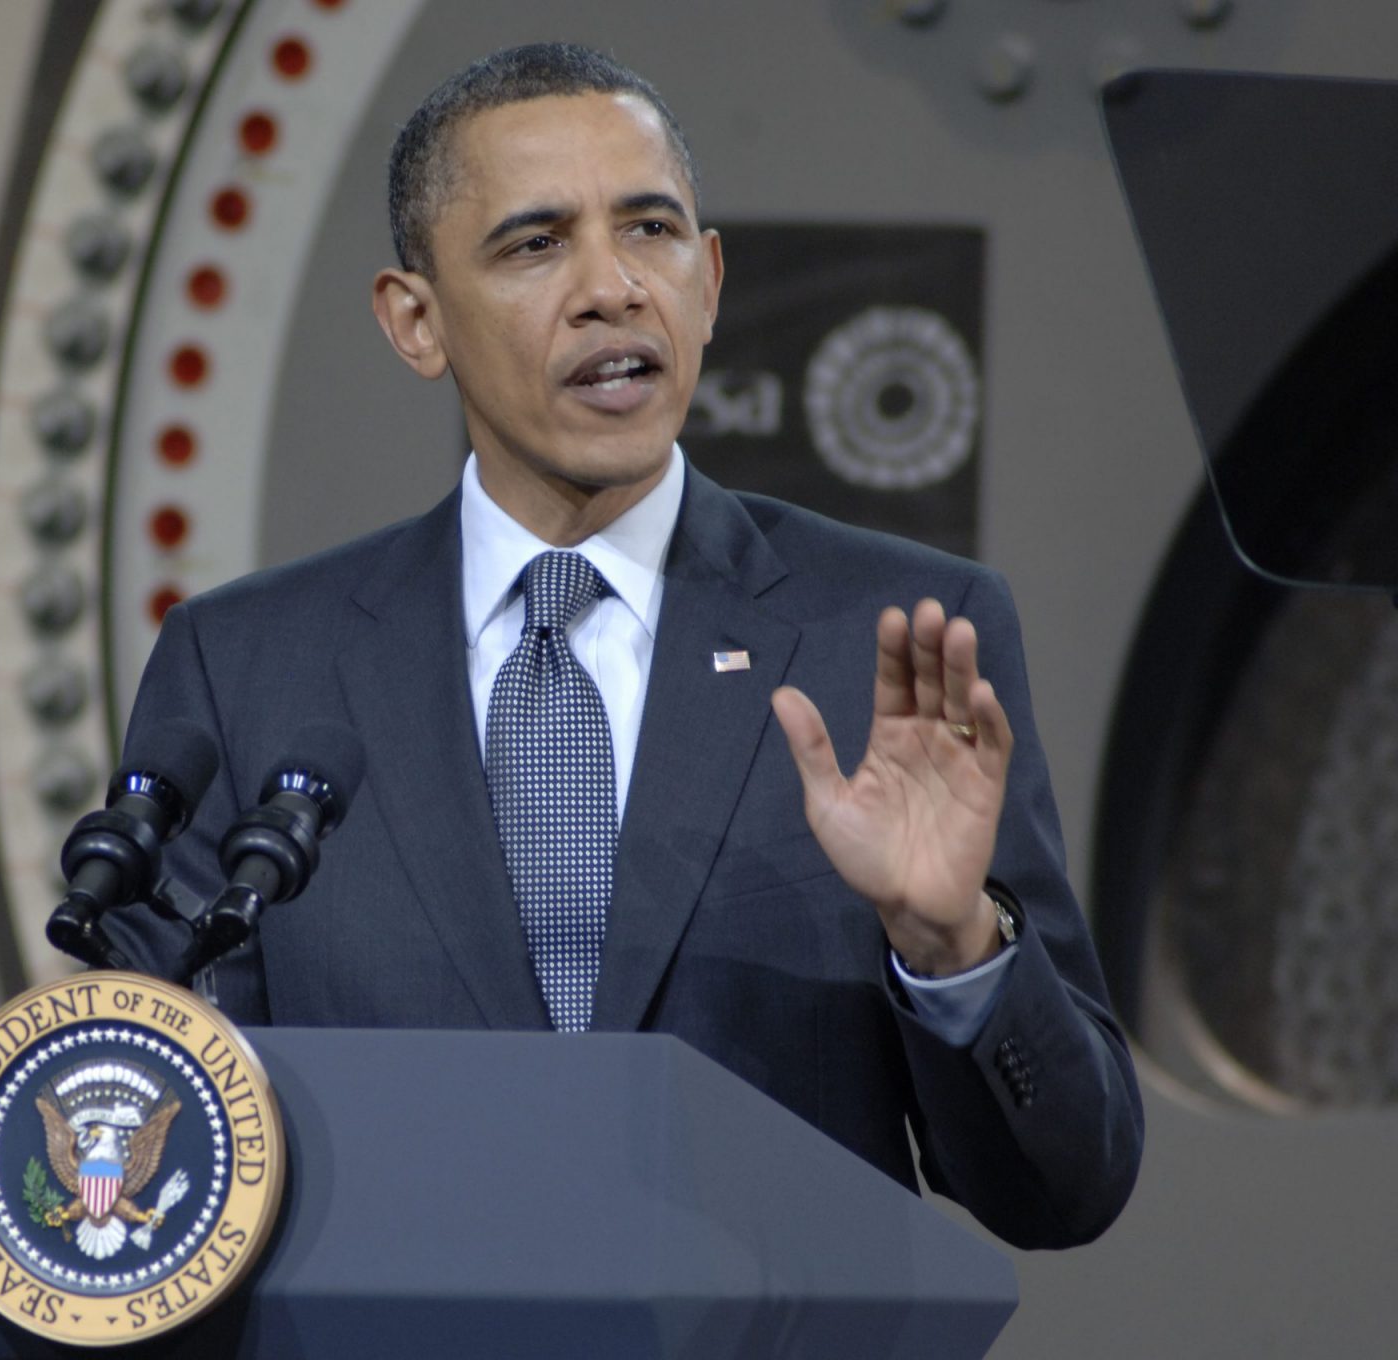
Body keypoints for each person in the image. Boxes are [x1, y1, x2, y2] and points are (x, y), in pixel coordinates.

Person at [106, 43, 1141, 1249]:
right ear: (414, 321)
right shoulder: (246, 666)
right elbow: (145, 1130)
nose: (611, 287)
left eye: (648, 230)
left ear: (705, 282)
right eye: (535, 243)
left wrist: (951, 946)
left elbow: (1066, 1185)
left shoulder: (889, 643)